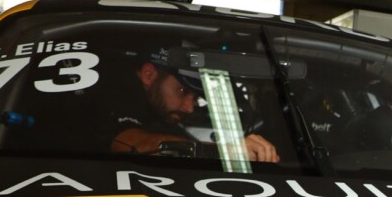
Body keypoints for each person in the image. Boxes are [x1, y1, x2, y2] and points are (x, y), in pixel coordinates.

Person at [95, 46, 280, 162]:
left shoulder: (152, 107)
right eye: (183, 91)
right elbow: (130, 143)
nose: (189, 108)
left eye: (194, 98)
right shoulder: (113, 87)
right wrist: (224, 153)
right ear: (148, 74)